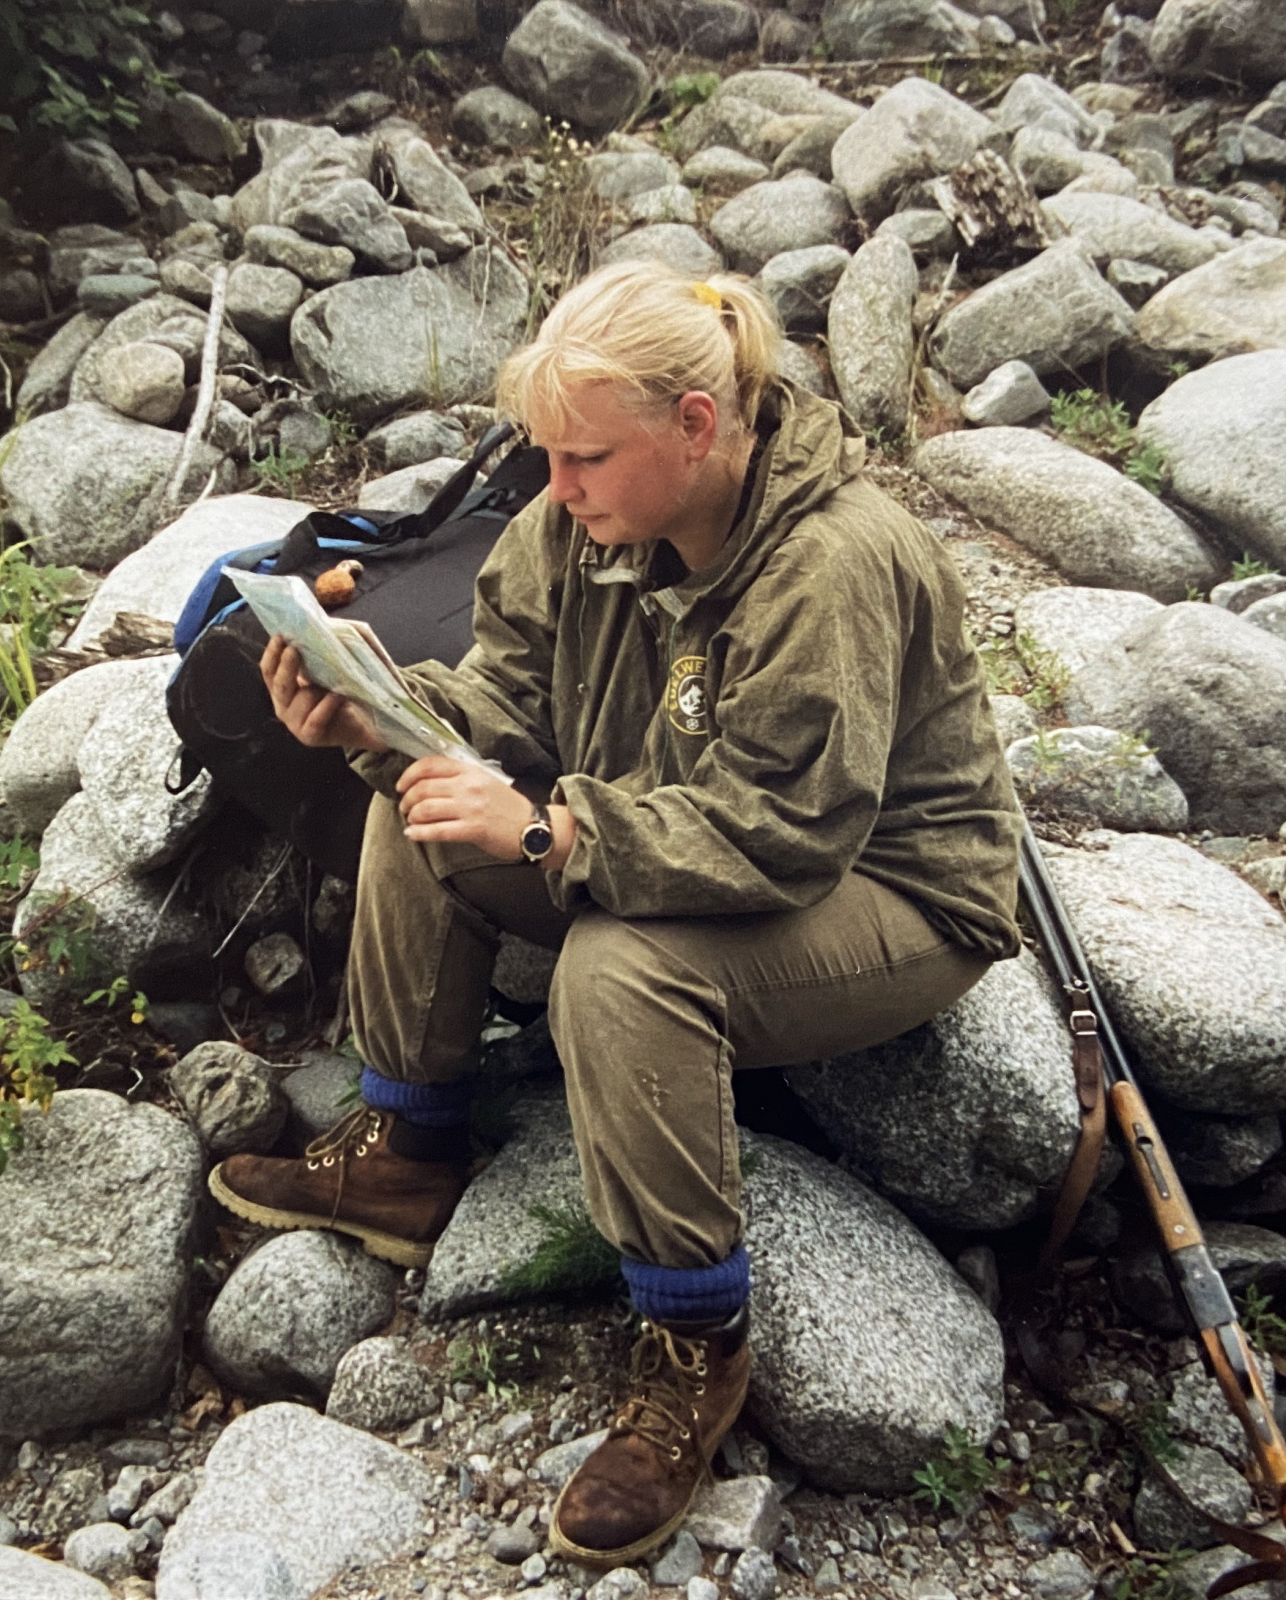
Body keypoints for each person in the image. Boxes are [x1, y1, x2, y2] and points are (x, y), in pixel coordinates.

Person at [209, 259, 1024, 1566]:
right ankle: (406, 1153)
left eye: (585, 456)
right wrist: (377, 719)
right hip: (674, 822)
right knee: (417, 804)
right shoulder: (580, 522)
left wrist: (552, 833)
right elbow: (501, 711)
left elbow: (786, 832)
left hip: (892, 887)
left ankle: (693, 1342)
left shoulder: (834, 562)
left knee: (618, 971)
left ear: (695, 429)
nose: (557, 484)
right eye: (548, 452)